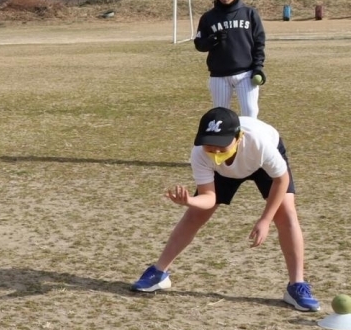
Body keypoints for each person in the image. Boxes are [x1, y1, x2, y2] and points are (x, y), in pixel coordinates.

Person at [133, 106, 319, 311]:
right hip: (224, 171)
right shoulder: (202, 154)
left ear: (238, 137)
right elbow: (209, 197)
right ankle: (159, 273)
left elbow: (281, 180)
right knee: (194, 215)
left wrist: (265, 219)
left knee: (286, 215)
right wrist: (190, 202)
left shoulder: (259, 143)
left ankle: (296, 286)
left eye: (222, 146)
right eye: (210, 147)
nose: (216, 151)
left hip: (260, 164)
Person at [194, 0, 266, 119]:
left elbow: (259, 43)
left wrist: (258, 68)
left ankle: (246, 142)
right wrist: (212, 40)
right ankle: (227, 143)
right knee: (220, 116)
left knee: (250, 113)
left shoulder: (250, 13)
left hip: (245, 74)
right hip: (219, 75)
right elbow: (199, 45)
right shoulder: (208, 18)